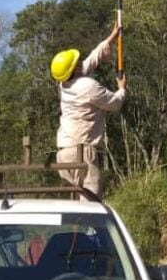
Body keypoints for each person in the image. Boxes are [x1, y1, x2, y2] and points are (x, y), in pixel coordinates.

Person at [50, 22, 126, 197]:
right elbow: (114, 104)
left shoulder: (64, 83)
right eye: (77, 62)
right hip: (82, 153)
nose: (80, 61)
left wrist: (111, 37)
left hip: (64, 153)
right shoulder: (87, 86)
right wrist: (122, 89)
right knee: (90, 205)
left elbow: (92, 60)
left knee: (74, 207)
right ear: (74, 69)